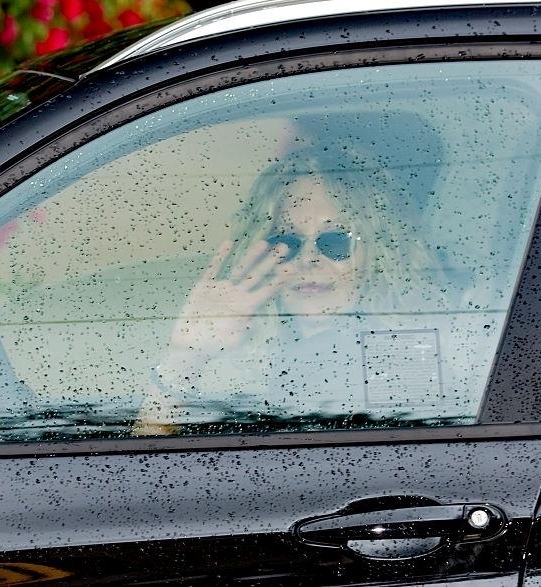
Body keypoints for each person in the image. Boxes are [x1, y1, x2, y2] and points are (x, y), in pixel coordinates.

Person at [139, 113, 452, 431]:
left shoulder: (398, 361)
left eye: (334, 240)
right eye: (287, 242)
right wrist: (186, 356)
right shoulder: (261, 359)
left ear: (377, 251)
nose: (308, 259)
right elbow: (148, 451)